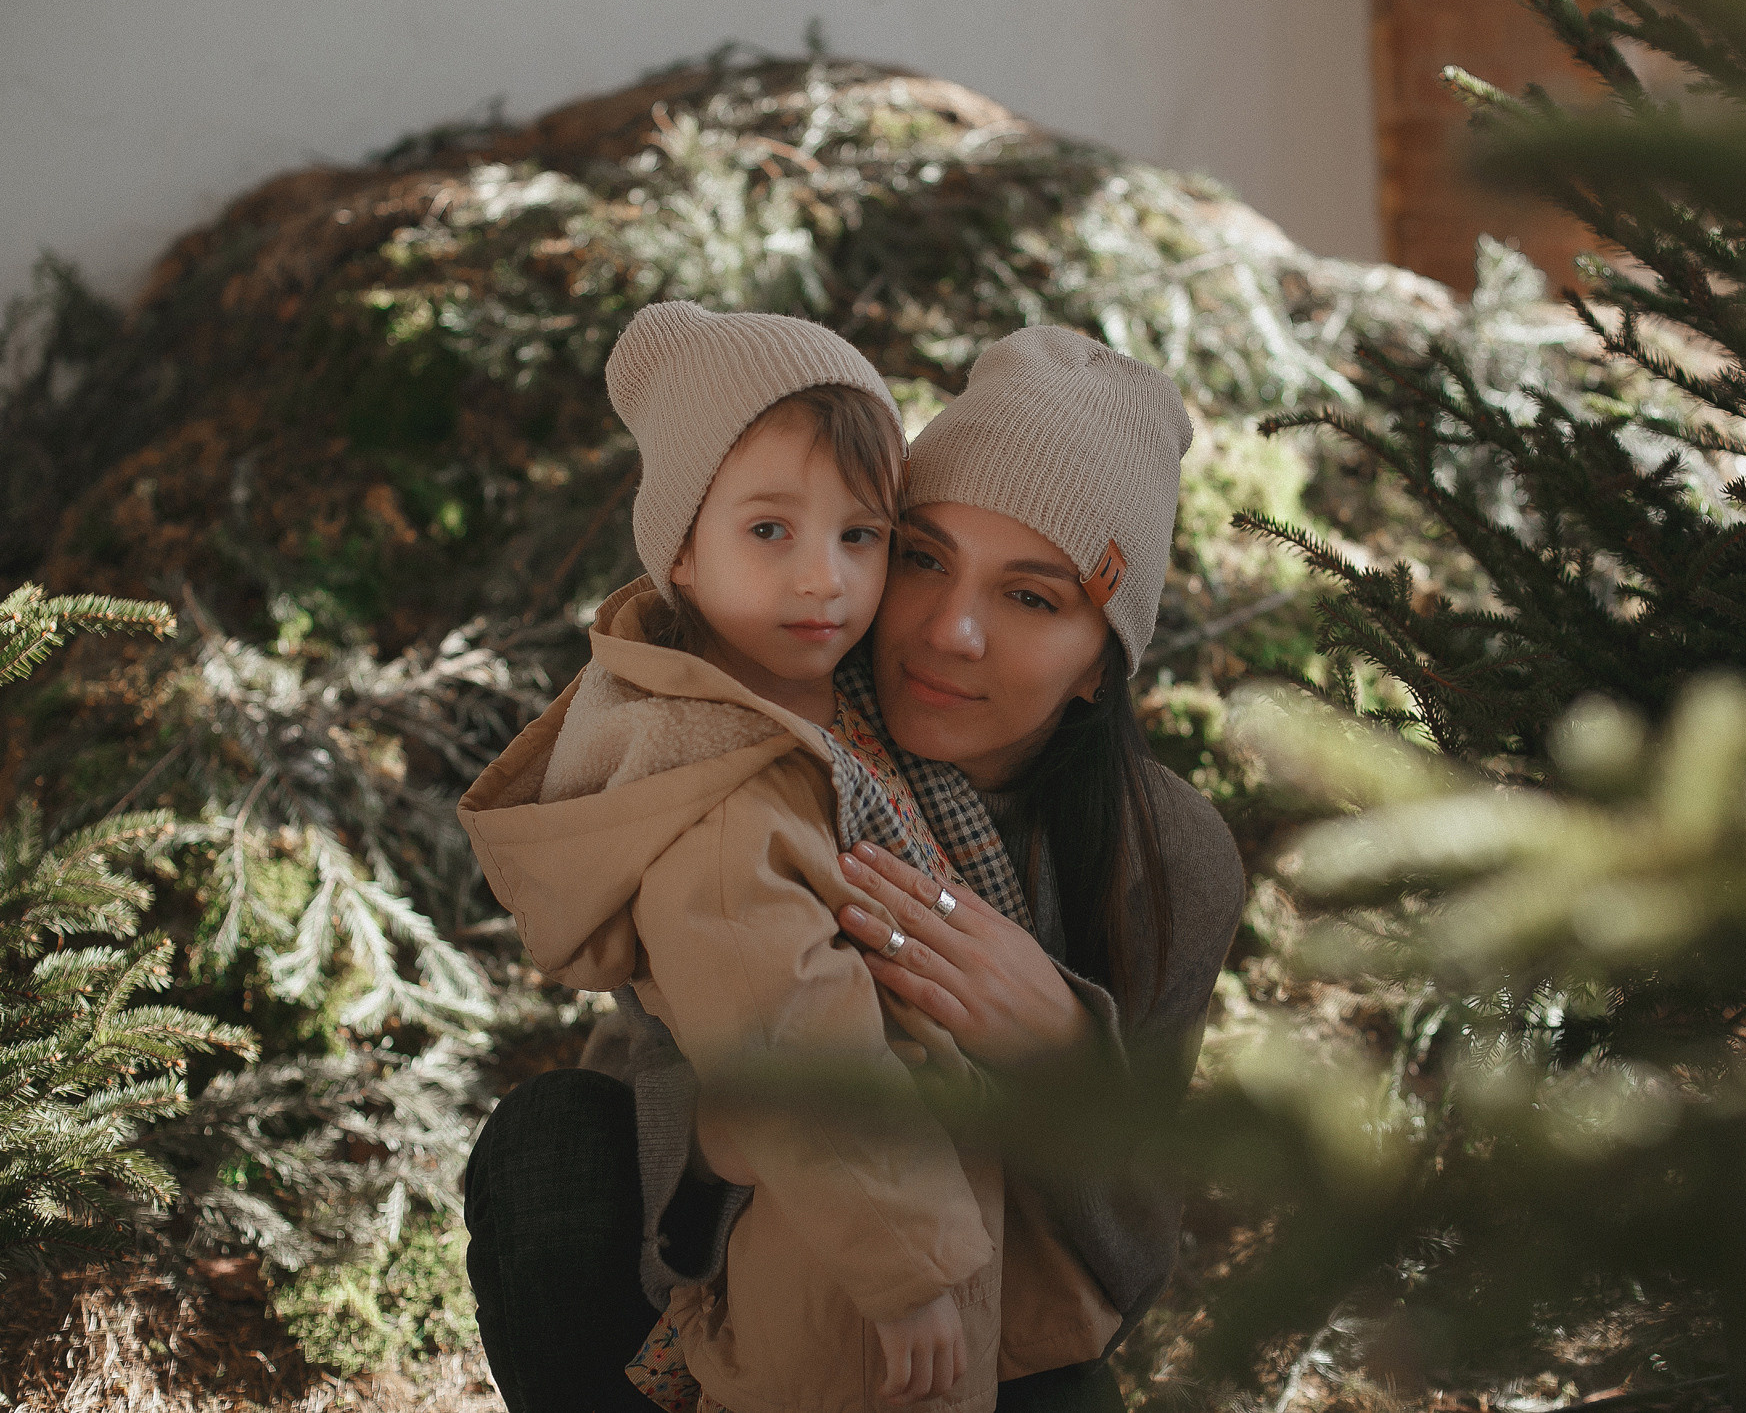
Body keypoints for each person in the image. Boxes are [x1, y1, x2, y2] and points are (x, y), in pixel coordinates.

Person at [462, 323, 1247, 1413]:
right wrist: (721, 1144)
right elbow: (664, 1079)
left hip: (1000, 1322)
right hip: (751, 1277)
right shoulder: (772, 738)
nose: (949, 629)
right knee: (542, 1147)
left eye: (1030, 596)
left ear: (1096, 667)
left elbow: (1137, 1250)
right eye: (922, 556)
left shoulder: (1165, 858)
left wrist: (1059, 1054)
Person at [460, 302, 1003, 1413]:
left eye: (859, 535)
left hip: (883, 1237)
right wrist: (906, 1271)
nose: (824, 579)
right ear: (683, 557)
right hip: (841, 1284)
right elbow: (790, 1036)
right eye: (770, 531)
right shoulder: (719, 787)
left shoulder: (832, 725)